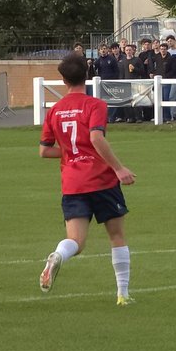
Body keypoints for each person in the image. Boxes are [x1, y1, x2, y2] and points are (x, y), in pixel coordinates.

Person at [38, 52, 136, 305]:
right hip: (101, 180)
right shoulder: (95, 105)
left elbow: (44, 150)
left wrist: (73, 152)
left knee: (76, 242)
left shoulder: (55, 111)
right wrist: (118, 168)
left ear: (62, 80)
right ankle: (122, 294)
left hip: (72, 183)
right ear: (88, 75)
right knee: (116, 236)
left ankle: (58, 255)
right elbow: (95, 137)